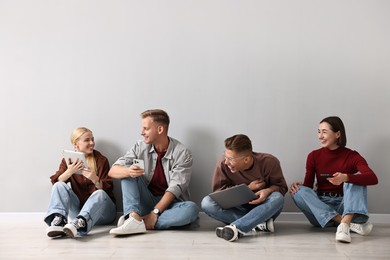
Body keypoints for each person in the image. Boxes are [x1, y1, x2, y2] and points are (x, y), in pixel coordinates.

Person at [109, 109, 199, 236]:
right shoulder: (139, 147)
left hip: (170, 205)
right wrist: (128, 170)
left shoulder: (183, 153)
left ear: (160, 129)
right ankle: (133, 216)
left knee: (192, 210)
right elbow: (113, 171)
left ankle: (137, 222)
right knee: (128, 169)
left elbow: (175, 188)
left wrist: (155, 213)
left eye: (145, 128)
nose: (141, 132)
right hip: (145, 201)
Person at [290, 116, 378, 243]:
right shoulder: (313, 156)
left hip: (346, 207)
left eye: (324, 132)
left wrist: (346, 177)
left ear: (337, 134)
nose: (320, 136)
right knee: (298, 190)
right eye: (319, 132)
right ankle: (345, 223)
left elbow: (372, 178)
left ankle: (344, 223)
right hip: (320, 211)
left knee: (356, 180)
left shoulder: (352, 156)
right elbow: (308, 187)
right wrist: (300, 187)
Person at [201, 134, 288, 242]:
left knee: (277, 197)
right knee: (207, 202)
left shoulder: (269, 162)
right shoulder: (223, 163)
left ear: (246, 159)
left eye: (230, 159)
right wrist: (248, 188)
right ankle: (258, 224)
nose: (226, 161)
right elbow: (219, 193)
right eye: (225, 156)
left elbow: (282, 188)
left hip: (263, 208)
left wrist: (268, 190)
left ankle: (237, 227)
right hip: (237, 208)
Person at [44, 127, 116, 238]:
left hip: (104, 214)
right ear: (75, 144)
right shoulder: (67, 160)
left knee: (100, 193)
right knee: (59, 185)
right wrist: (69, 171)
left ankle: (81, 223)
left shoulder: (101, 160)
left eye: (92, 139)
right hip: (78, 213)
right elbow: (55, 182)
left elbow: (107, 191)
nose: (92, 143)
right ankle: (58, 221)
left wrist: (95, 179)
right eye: (87, 140)